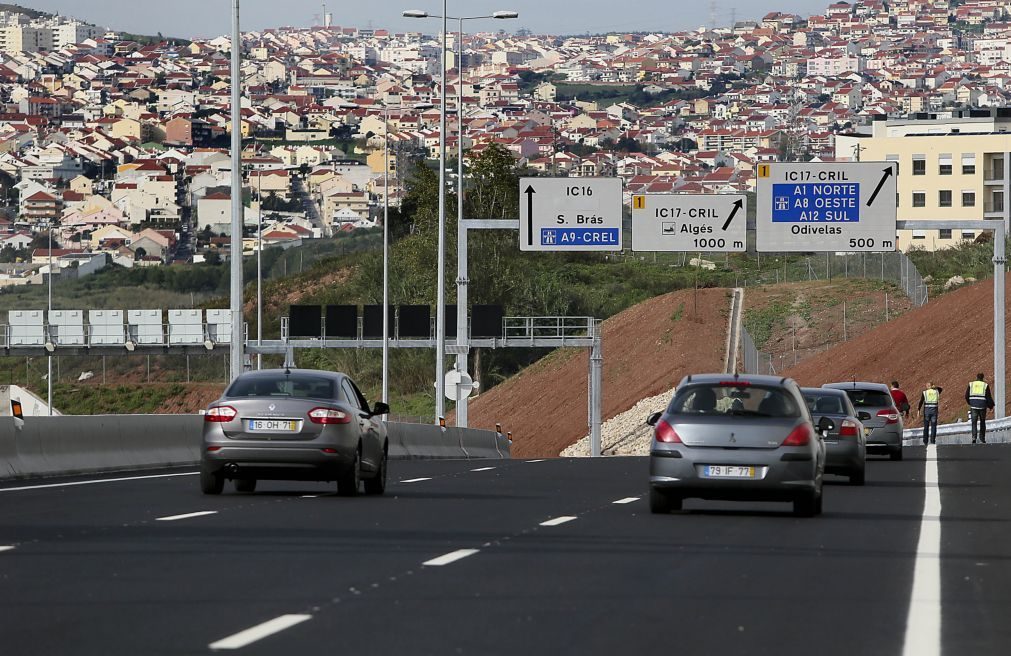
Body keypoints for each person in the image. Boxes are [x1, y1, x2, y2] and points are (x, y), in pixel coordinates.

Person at [965, 373, 995, 444]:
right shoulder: (985, 385)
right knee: (982, 421)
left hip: (974, 406)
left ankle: (974, 437)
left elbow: (966, 395)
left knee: (974, 422)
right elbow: (988, 397)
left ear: (976, 377)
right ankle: (982, 438)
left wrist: (970, 403)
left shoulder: (971, 384)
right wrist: (991, 406)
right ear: (983, 378)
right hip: (982, 406)